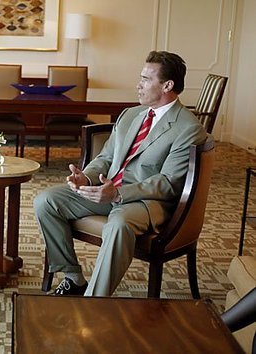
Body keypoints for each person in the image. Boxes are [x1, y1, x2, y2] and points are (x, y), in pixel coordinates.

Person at [34, 51, 207, 297]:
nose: (139, 84)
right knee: (46, 201)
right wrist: (87, 177)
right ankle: (73, 277)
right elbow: (105, 158)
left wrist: (117, 194)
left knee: (118, 224)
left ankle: (94, 302)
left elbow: (167, 183)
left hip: (148, 203)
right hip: (108, 192)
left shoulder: (188, 128)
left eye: (146, 79)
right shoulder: (131, 115)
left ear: (167, 85)